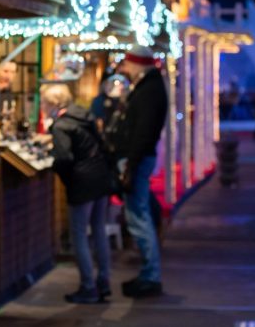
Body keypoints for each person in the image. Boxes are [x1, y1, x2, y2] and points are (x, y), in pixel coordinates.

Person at [44, 83, 114, 304]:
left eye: (44, 103)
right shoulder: (84, 116)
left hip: (82, 182)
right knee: (99, 230)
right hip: (100, 177)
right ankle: (104, 281)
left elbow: (64, 158)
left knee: (79, 235)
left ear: (54, 104)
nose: (43, 107)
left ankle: (88, 286)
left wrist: (61, 173)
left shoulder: (61, 126)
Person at [108, 45, 168, 299]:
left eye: (128, 64)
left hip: (137, 160)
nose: (125, 69)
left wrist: (130, 163)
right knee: (139, 214)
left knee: (138, 216)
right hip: (138, 159)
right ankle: (149, 273)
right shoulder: (150, 88)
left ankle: (150, 274)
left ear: (137, 64)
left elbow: (143, 132)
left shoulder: (148, 90)